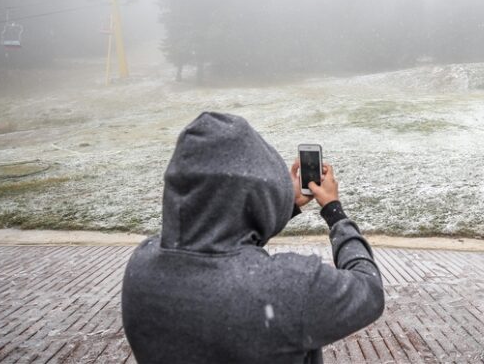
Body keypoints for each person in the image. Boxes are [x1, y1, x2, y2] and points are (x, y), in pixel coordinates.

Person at [122, 112, 385, 364]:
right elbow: (369, 290)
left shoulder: (141, 266)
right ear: (259, 192)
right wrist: (334, 211)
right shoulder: (289, 285)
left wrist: (287, 205)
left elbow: (222, 247)